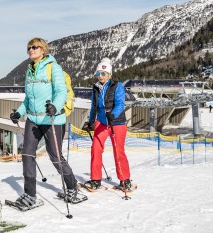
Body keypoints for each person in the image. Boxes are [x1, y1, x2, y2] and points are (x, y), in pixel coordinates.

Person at [9, 37, 84, 209]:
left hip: (52, 119)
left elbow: (61, 92)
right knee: (27, 155)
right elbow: (28, 98)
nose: (31, 50)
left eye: (35, 47)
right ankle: (30, 195)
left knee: (56, 157)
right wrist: (19, 112)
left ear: (43, 50)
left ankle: (72, 187)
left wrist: (55, 107)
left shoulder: (53, 67)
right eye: (29, 47)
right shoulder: (29, 70)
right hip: (33, 119)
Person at [81, 57, 133, 192]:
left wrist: (113, 114)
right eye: (98, 73)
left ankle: (125, 180)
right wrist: (91, 121)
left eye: (103, 73)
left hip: (117, 123)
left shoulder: (117, 86)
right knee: (96, 148)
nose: (100, 76)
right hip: (102, 122)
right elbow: (94, 106)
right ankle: (96, 180)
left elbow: (121, 104)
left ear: (109, 74)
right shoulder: (95, 87)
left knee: (118, 151)